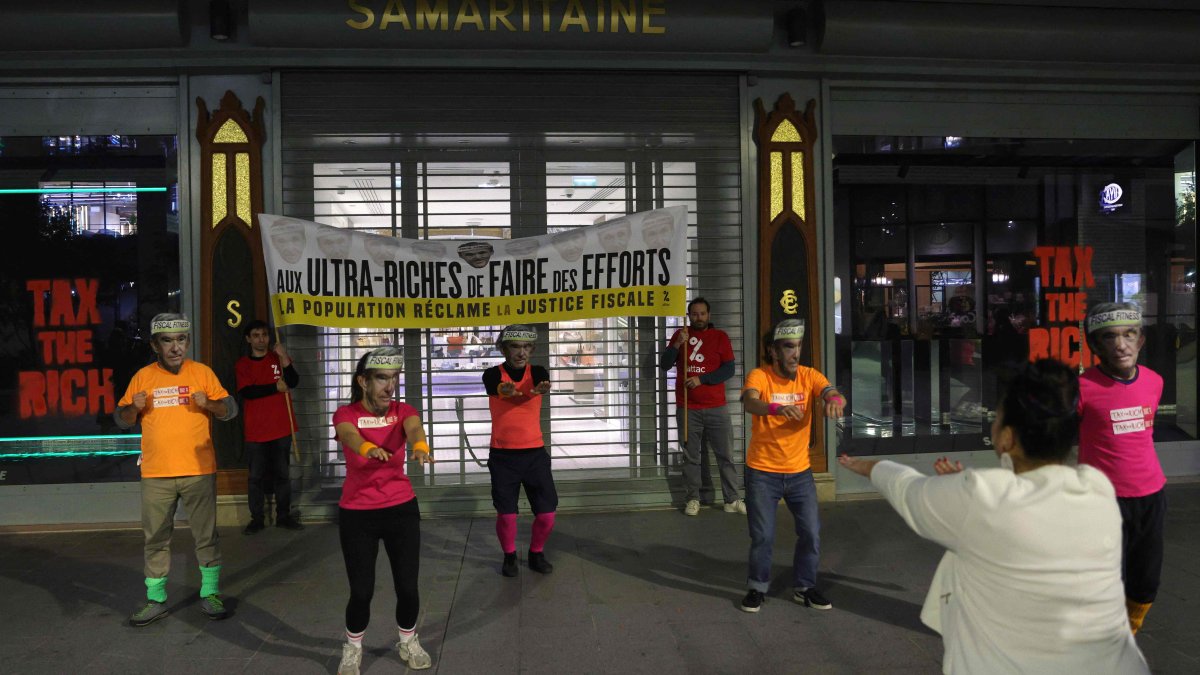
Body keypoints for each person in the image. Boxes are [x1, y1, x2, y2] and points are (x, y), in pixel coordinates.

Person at [838, 359, 1149, 674]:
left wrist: (866, 466)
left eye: (996, 417)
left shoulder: (983, 496)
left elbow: (907, 489)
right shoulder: (1098, 490)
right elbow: (1021, 498)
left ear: (1007, 438)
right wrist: (966, 489)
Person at [115, 313, 239, 627]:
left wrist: (208, 404)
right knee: (155, 538)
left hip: (198, 470)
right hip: (156, 473)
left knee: (206, 536)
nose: (175, 347)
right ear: (155, 345)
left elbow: (230, 411)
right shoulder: (142, 377)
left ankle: (210, 593)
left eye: (181, 339)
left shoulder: (202, 373)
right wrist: (135, 407)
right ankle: (156, 600)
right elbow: (122, 418)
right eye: (168, 341)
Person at [332, 346, 434, 673]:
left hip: (400, 509)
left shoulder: (403, 410)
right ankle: (353, 649)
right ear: (363, 381)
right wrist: (367, 447)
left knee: (407, 586)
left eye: (393, 378)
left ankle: (408, 641)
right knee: (361, 591)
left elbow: (415, 428)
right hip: (357, 514)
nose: (389, 387)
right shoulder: (345, 413)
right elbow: (347, 435)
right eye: (381, 379)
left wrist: (420, 446)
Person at [739, 319, 844, 613]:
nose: (795, 353)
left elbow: (830, 391)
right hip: (762, 472)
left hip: (799, 473)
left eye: (798, 346)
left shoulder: (808, 375)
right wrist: (775, 407)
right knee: (763, 536)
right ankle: (757, 587)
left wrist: (835, 399)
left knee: (811, 532)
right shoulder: (760, 376)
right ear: (773, 351)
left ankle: (804, 587)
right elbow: (750, 402)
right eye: (788, 347)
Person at [1079, 302, 1167, 634]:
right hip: (1101, 500)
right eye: (1109, 337)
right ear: (1095, 346)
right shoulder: (1081, 388)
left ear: (1141, 340)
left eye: (1129, 334)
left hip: (1151, 496)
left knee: (1146, 578)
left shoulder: (1154, 382)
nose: (1121, 344)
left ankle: (1129, 632)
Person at [483, 325, 557, 577]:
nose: (521, 352)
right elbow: (499, 389)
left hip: (535, 453)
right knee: (507, 515)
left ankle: (536, 552)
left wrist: (538, 389)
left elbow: (540, 382)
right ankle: (510, 556)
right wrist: (515, 391)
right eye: (515, 346)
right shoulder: (493, 374)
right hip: (503, 455)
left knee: (547, 514)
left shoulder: (537, 372)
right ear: (504, 348)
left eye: (526, 347)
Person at [659, 297, 744, 516]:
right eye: (695, 314)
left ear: (709, 315)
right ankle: (693, 499)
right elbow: (665, 364)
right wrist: (677, 345)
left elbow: (729, 370)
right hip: (687, 408)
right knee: (691, 457)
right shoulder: (680, 335)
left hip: (717, 407)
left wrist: (702, 379)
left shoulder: (720, 337)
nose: (699, 318)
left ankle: (732, 499)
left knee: (725, 455)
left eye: (702, 314)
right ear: (689, 315)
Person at [236, 319, 302, 534]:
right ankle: (257, 518)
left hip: (281, 427)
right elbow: (247, 392)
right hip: (256, 430)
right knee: (255, 477)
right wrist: (274, 387)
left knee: (283, 475)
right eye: (256, 335)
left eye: (264, 335)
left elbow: (293, 381)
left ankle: (284, 516)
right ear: (248, 339)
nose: (261, 339)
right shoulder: (243, 364)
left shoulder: (277, 359)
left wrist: (284, 358)